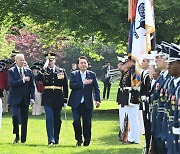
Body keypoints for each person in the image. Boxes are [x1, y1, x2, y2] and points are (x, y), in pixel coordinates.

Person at [35, 52, 68, 146]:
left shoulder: (61, 70)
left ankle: (56, 138)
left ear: (55, 60)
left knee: (57, 119)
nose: (50, 62)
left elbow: (65, 85)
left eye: (51, 60)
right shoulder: (44, 71)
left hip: (58, 97)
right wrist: (43, 69)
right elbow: (37, 79)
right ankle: (51, 139)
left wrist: (65, 99)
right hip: (48, 97)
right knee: (49, 118)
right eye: (48, 61)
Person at [68, 56, 100, 146]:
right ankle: (79, 139)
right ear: (78, 65)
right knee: (76, 121)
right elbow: (72, 85)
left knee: (87, 123)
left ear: (87, 64)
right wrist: (82, 83)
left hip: (87, 103)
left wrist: (98, 100)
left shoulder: (92, 74)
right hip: (76, 103)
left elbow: (96, 88)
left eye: (85, 63)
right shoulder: (74, 74)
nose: (83, 64)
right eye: (81, 63)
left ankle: (87, 141)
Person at [8, 54, 35, 144]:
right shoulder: (11, 71)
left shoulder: (28, 71)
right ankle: (17, 135)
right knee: (15, 116)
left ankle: (23, 139)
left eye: (23, 60)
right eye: (20, 60)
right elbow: (11, 83)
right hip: (15, 98)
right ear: (16, 61)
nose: (23, 62)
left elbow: (32, 86)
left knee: (24, 119)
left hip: (25, 98)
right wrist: (22, 80)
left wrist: (32, 98)